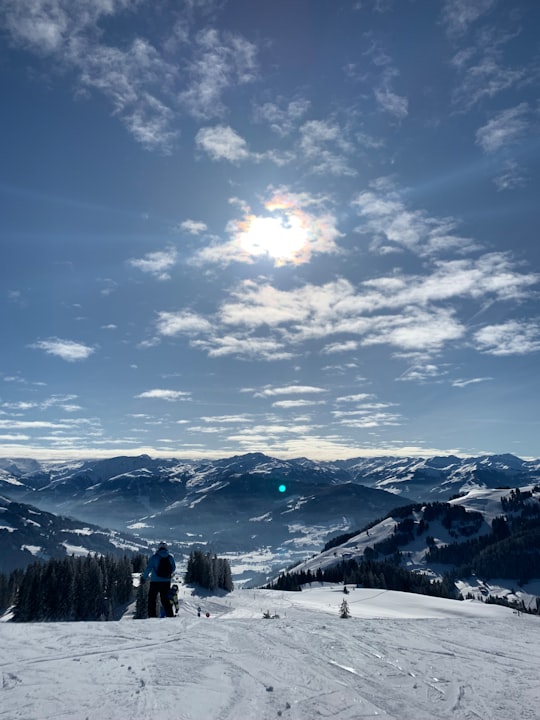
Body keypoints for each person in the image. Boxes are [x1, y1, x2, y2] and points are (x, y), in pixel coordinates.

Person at [141, 542, 176, 618]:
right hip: (166, 582)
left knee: (152, 598)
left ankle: (152, 616)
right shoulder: (170, 558)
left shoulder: (154, 557)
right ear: (166, 548)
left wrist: (144, 578)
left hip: (155, 581)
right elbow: (173, 568)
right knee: (165, 599)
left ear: (158, 548)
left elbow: (148, 568)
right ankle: (170, 615)